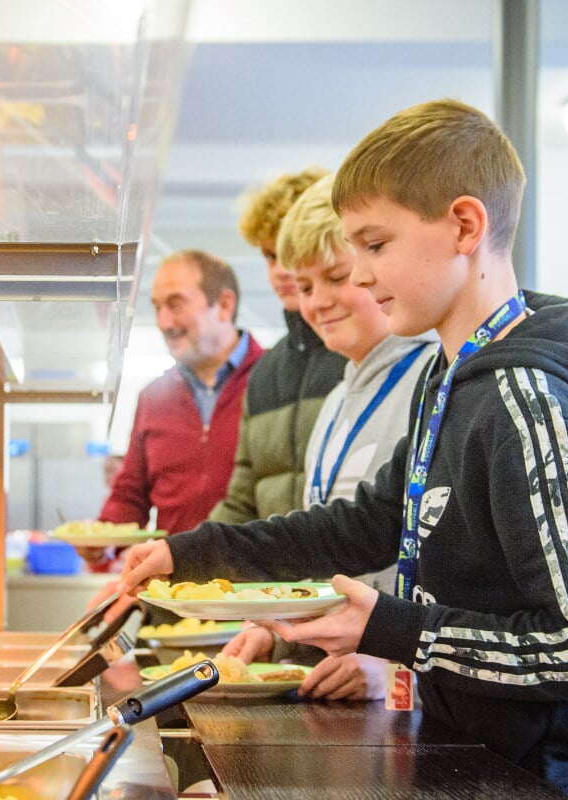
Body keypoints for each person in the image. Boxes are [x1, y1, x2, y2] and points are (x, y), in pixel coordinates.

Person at [112, 99, 568, 799]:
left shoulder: (527, 398)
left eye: (374, 245)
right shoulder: (449, 372)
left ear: (465, 225)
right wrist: (190, 552)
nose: (361, 274)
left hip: (556, 778)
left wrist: (396, 630)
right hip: (474, 757)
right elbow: (368, 521)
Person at [223, 172, 437, 701]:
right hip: (339, 681)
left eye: (336, 277)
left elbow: (442, 569)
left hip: (409, 694)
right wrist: (277, 624)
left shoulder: (432, 377)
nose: (316, 304)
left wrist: (391, 664)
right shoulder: (340, 395)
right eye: (303, 287)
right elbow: (333, 545)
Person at [90, 250, 264, 561]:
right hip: (175, 591)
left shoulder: (274, 380)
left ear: (224, 305)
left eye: (175, 304)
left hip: (257, 592)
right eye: (156, 307)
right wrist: (101, 538)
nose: (163, 322)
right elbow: (131, 493)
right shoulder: (152, 398)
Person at [207, 167, 346, 524]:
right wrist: (180, 556)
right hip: (281, 579)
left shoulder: (364, 354)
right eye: (270, 255)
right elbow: (242, 503)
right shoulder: (265, 372)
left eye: (292, 250)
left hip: (351, 577)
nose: (281, 270)